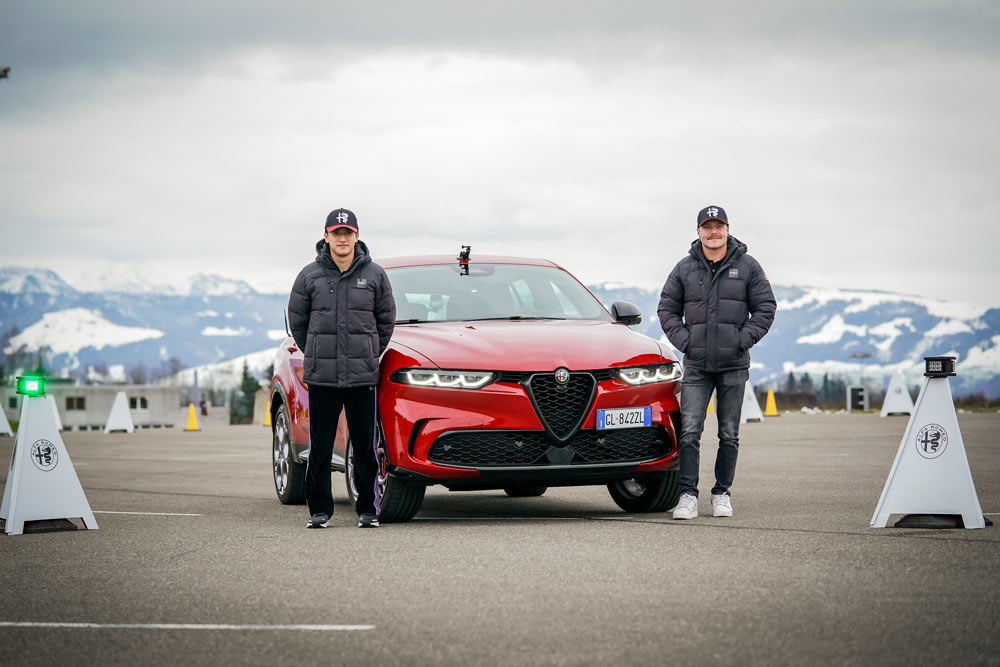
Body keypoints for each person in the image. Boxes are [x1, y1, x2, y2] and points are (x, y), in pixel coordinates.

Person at [658, 205, 776, 520]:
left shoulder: (748, 266)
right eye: (707, 226)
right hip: (696, 365)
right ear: (698, 232)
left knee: (729, 433)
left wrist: (741, 340)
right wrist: (686, 342)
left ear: (727, 229)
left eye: (718, 226)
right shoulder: (684, 268)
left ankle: (721, 493)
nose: (713, 232)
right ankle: (687, 496)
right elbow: (667, 309)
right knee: (690, 431)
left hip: (734, 365)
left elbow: (765, 307)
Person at [287, 208, 395, 528]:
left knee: (364, 446)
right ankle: (319, 511)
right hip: (323, 376)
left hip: (362, 375)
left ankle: (367, 510)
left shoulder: (374, 274)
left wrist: (370, 353)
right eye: (337, 233)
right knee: (319, 446)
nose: (342, 238)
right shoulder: (309, 275)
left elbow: (386, 319)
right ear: (326, 237)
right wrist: (317, 352)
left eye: (348, 233)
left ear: (356, 236)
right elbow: (299, 322)